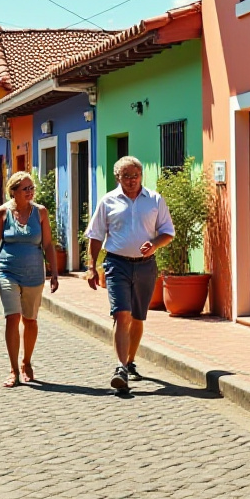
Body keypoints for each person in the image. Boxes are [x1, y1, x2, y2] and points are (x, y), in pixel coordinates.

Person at [86, 156, 174, 392]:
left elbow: (167, 232)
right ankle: (121, 368)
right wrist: (92, 266)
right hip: (117, 264)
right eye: (126, 176)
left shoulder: (154, 200)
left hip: (146, 266)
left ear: (141, 176)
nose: (132, 180)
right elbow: (95, 235)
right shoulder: (108, 201)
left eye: (136, 175)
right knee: (121, 314)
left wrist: (154, 244)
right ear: (118, 177)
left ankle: (130, 361)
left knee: (137, 317)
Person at [0, 172, 56, 387]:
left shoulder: (40, 212)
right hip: (7, 271)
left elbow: (48, 244)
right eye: (25, 189)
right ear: (13, 191)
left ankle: (26, 362)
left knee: (30, 320)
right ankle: (14, 369)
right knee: (12, 317)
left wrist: (54, 272)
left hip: (34, 274)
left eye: (32, 188)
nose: (30, 192)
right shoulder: (2, 213)